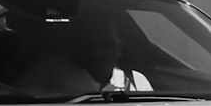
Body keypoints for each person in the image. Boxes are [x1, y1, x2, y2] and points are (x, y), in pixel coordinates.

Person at [13, 8, 151, 95]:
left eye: (106, 44)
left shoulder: (138, 82)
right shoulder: (50, 72)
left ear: (120, 47)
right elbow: (17, 105)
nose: (96, 52)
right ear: (77, 43)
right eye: (89, 44)